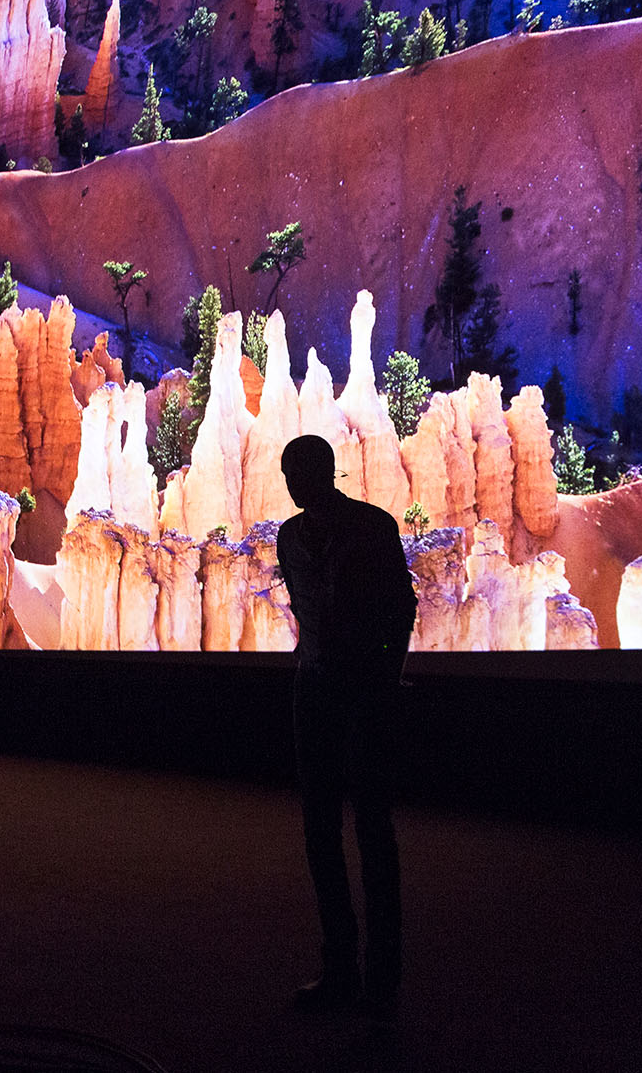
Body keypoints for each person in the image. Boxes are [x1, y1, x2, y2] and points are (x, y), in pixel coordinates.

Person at [275, 434, 417, 1019]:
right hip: (313, 693)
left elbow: (401, 607)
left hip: (363, 694)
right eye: (286, 472)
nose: (290, 481)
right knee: (320, 833)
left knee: (373, 834)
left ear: (325, 472)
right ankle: (340, 968)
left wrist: (384, 670)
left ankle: (382, 978)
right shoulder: (288, 537)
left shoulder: (372, 526)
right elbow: (304, 609)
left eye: (298, 470)